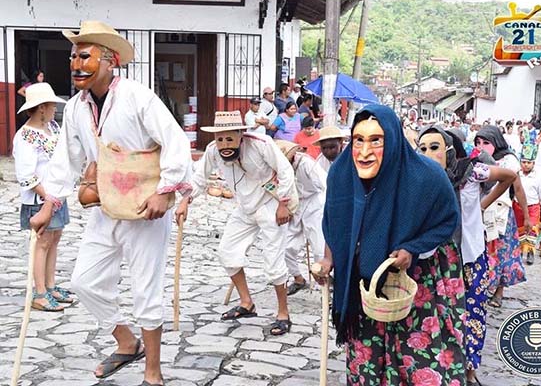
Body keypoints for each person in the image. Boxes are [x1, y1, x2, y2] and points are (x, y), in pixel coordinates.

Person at [29, 21, 192, 386]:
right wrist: (48, 205)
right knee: (84, 282)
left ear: (110, 60)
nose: (76, 64)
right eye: (73, 57)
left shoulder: (138, 97)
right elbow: (65, 161)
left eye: (84, 56)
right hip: (106, 207)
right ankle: (125, 340)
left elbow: (175, 141)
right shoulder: (74, 108)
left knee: (146, 290)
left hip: (145, 210)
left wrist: (167, 191)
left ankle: (153, 372)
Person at [313, 104, 467, 386]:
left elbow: (446, 221)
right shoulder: (341, 174)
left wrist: (413, 247)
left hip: (415, 281)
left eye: (376, 141)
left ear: (393, 140)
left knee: (418, 357)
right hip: (364, 285)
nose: (364, 151)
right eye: (358, 140)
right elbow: (337, 224)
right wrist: (328, 260)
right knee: (366, 361)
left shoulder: (426, 176)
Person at [177, 111, 298, 336]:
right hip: (244, 208)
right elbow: (200, 179)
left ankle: (283, 313)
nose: (224, 144)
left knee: (273, 262)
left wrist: (283, 203)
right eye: (220, 139)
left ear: (241, 135)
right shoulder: (213, 152)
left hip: (270, 205)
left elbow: (285, 171)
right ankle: (246, 303)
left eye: (229, 138)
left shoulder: (262, 144)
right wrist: (186, 200)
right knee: (227, 252)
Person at [418, 126, 516, 385]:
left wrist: (483, 204)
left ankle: (470, 371)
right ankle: (442, 370)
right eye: (423, 148)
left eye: (435, 147)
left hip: (470, 257)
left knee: (472, 315)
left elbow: (508, 176)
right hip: (436, 260)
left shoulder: (471, 174)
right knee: (439, 315)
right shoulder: (421, 179)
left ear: (449, 150)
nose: (428, 153)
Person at [13, 82, 72, 312]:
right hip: (40, 200)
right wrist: (48, 197)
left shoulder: (53, 127)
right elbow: (26, 175)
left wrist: (57, 194)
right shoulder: (26, 136)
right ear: (41, 108)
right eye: (51, 106)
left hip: (56, 196)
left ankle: (50, 285)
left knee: (55, 238)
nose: (54, 109)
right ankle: (39, 292)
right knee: (42, 242)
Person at [475, 126, 530, 308]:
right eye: (478, 142)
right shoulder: (477, 159)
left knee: (502, 252)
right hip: (480, 213)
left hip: (501, 213)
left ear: (496, 142)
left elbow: (519, 189)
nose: (481, 146)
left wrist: (527, 215)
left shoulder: (508, 161)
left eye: (486, 143)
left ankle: (499, 291)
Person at [274, 140, 326, 296]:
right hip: (295, 205)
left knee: (319, 244)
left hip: (315, 201)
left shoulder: (306, 164)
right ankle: (298, 278)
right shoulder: (278, 170)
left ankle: (324, 281)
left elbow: (325, 184)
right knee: (287, 245)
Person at [514, 145, 541, 265]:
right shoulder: (516, 175)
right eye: (523, 162)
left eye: (529, 162)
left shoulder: (538, 177)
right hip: (518, 206)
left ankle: (530, 252)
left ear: (533, 163)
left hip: (533, 207)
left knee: (532, 230)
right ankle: (520, 252)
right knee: (520, 230)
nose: (526, 165)